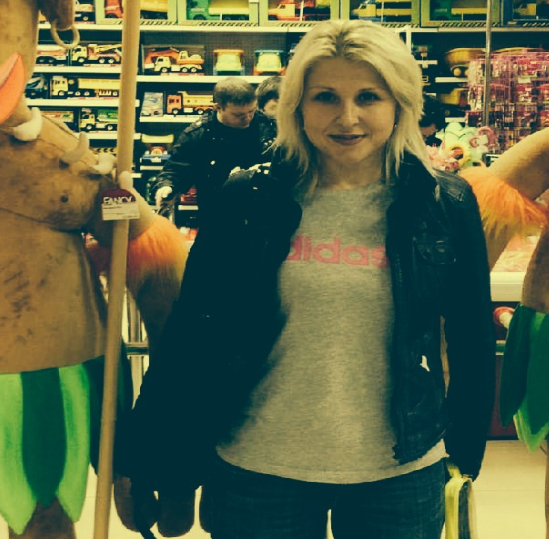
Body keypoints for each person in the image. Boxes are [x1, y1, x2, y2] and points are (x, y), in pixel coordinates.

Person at [119, 18, 496, 539]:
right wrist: (150, 455)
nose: (347, 117)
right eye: (325, 97)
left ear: (400, 104)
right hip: (257, 467)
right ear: (297, 106)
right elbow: (192, 333)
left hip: (401, 472)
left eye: (369, 96)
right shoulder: (247, 198)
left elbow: (472, 338)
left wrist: (465, 455)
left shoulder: (444, 202)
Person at [147, 76, 275, 224]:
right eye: (238, 115)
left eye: (251, 111)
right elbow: (176, 169)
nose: (247, 118)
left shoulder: (267, 126)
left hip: (262, 218)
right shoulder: (199, 134)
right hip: (215, 217)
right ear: (218, 107)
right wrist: (166, 186)